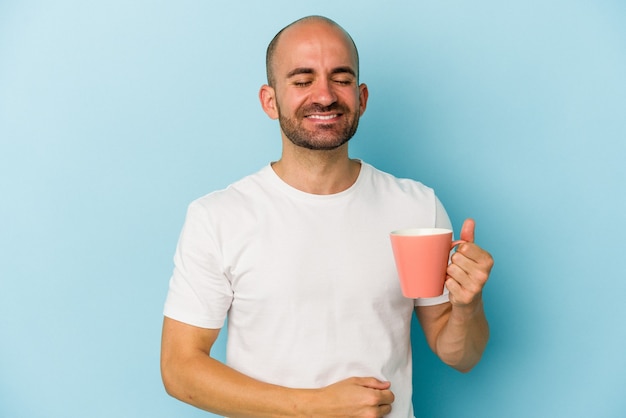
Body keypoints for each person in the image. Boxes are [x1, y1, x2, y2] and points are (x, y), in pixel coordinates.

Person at [161, 15, 493, 418]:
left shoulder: (416, 206)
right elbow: (179, 369)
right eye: (302, 81)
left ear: (362, 97)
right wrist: (316, 407)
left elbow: (459, 354)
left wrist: (467, 306)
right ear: (270, 100)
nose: (324, 95)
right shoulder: (218, 217)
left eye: (341, 78)